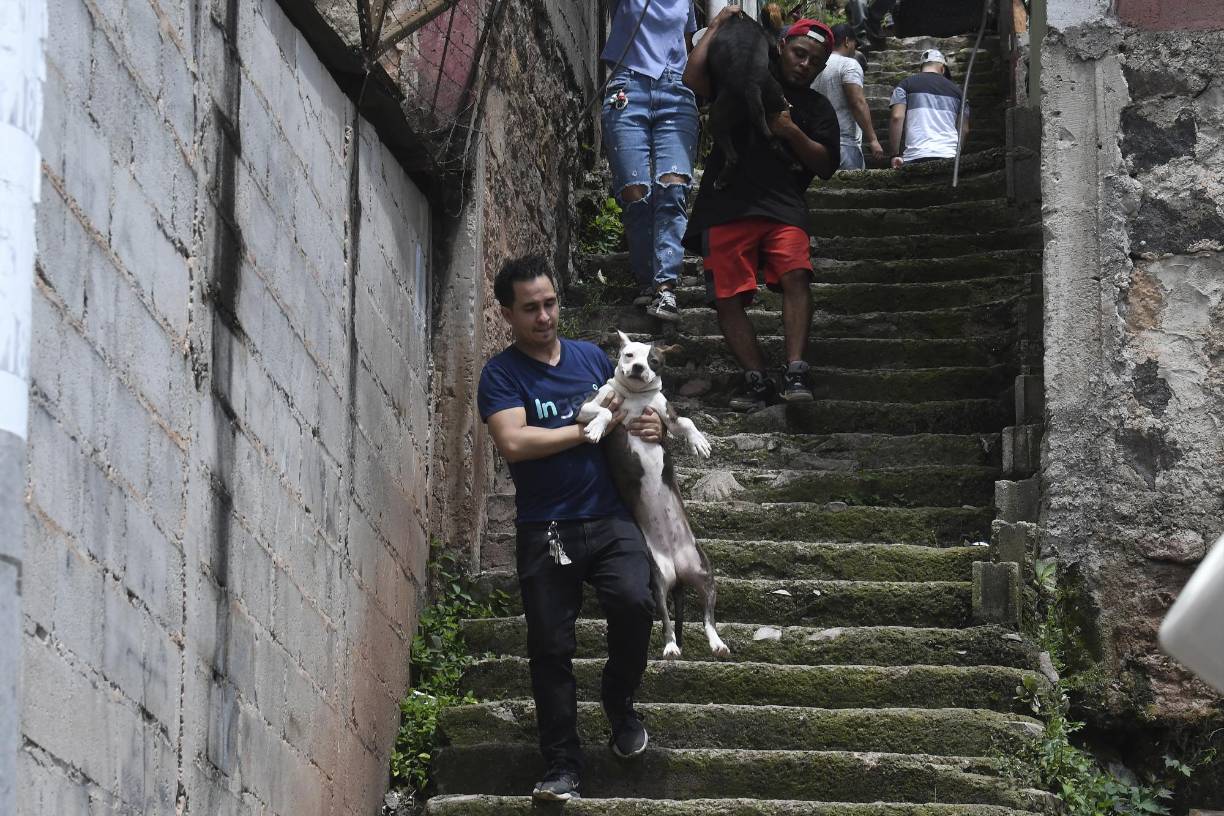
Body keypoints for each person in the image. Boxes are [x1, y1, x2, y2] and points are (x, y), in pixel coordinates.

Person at [477, 255, 666, 802]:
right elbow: (514, 442)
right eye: (531, 308)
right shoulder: (502, 374)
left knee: (635, 603)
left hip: (610, 517)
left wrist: (651, 423)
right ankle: (562, 764)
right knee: (550, 648)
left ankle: (618, 700)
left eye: (550, 303)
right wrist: (581, 431)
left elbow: (633, 411)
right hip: (547, 528)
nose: (544, 316)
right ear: (508, 313)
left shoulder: (589, 358)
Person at [682, 11, 841, 411]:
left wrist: (789, 130)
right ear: (782, 47)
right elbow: (692, 80)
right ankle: (756, 380)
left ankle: (797, 370)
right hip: (726, 204)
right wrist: (716, 26)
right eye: (799, 54)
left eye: (814, 62)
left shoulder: (819, 108)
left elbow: (825, 165)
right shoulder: (743, 75)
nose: (804, 65)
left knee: (796, 277)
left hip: (783, 207)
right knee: (726, 297)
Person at [601, 0, 701, 323]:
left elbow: (687, 46)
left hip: (676, 90)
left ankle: (665, 287)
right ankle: (646, 278)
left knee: (673, 187)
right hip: (627, 88)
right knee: (634, 191)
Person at [813, 23, 886, 170]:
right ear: (847, 41)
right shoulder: (848, 64)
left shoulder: (815, 64)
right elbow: (857, 102)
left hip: (815, 143)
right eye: (855, 44)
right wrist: (872, 140)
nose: (855, 49)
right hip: (843, 144)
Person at [888, 48, 969, 168]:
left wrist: (894, 154)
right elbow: (965, 129)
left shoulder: (905, 85)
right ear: (942, 68)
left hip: (915, 156)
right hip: (948, 155)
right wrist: (957, 154)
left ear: (921, 68)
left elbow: (896, 117)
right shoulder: (959, 93)